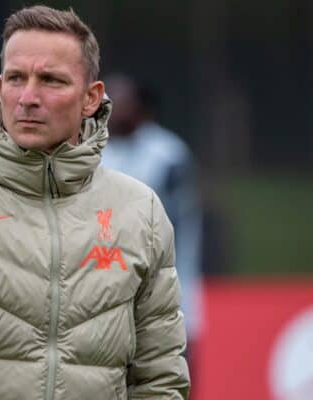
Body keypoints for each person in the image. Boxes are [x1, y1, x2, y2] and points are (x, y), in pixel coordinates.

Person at [0, 6, 189, 400]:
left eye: (51, 81)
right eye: (16, 78)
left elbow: (160, 379)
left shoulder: (140, 210)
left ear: (92, 98)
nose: (27, 97)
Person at [101, 74, 203, 370]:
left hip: (168, 285)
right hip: (106, 289)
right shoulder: (92, 150)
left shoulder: (168, 156)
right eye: (109, 99)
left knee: (168, 374)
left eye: (122, 101)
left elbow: (171, 226)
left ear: (141, 108)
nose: (113, 107)